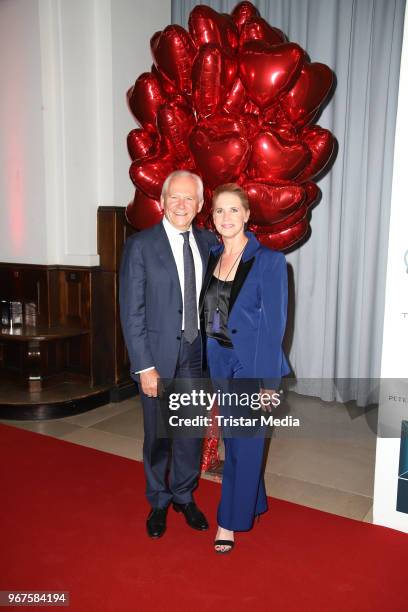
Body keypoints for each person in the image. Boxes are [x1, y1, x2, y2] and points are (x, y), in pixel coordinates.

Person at [120, 170, 218, 539]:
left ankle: (183, 494)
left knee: (190, 432)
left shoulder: (209, 242)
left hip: (196, 354)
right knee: (158, 435)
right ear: (161, 202)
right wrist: (143, 366)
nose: (181, 204)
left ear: (199, 205)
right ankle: (158, 500)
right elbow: (132, 311)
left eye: (188, 198)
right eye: (174, 197)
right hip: (156, 358)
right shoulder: (141, 246)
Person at [199, 183, 290, 553]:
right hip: (217, 359)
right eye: (219, 211)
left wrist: (269, 382)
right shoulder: (211, 256)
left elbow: (275, 327)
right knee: (238, 440)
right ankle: (254, 501)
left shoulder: (269, 261)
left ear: (247, 214)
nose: (226, 217)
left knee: (242, 443)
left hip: (248, 364)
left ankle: (229, 523)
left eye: (233, 210)